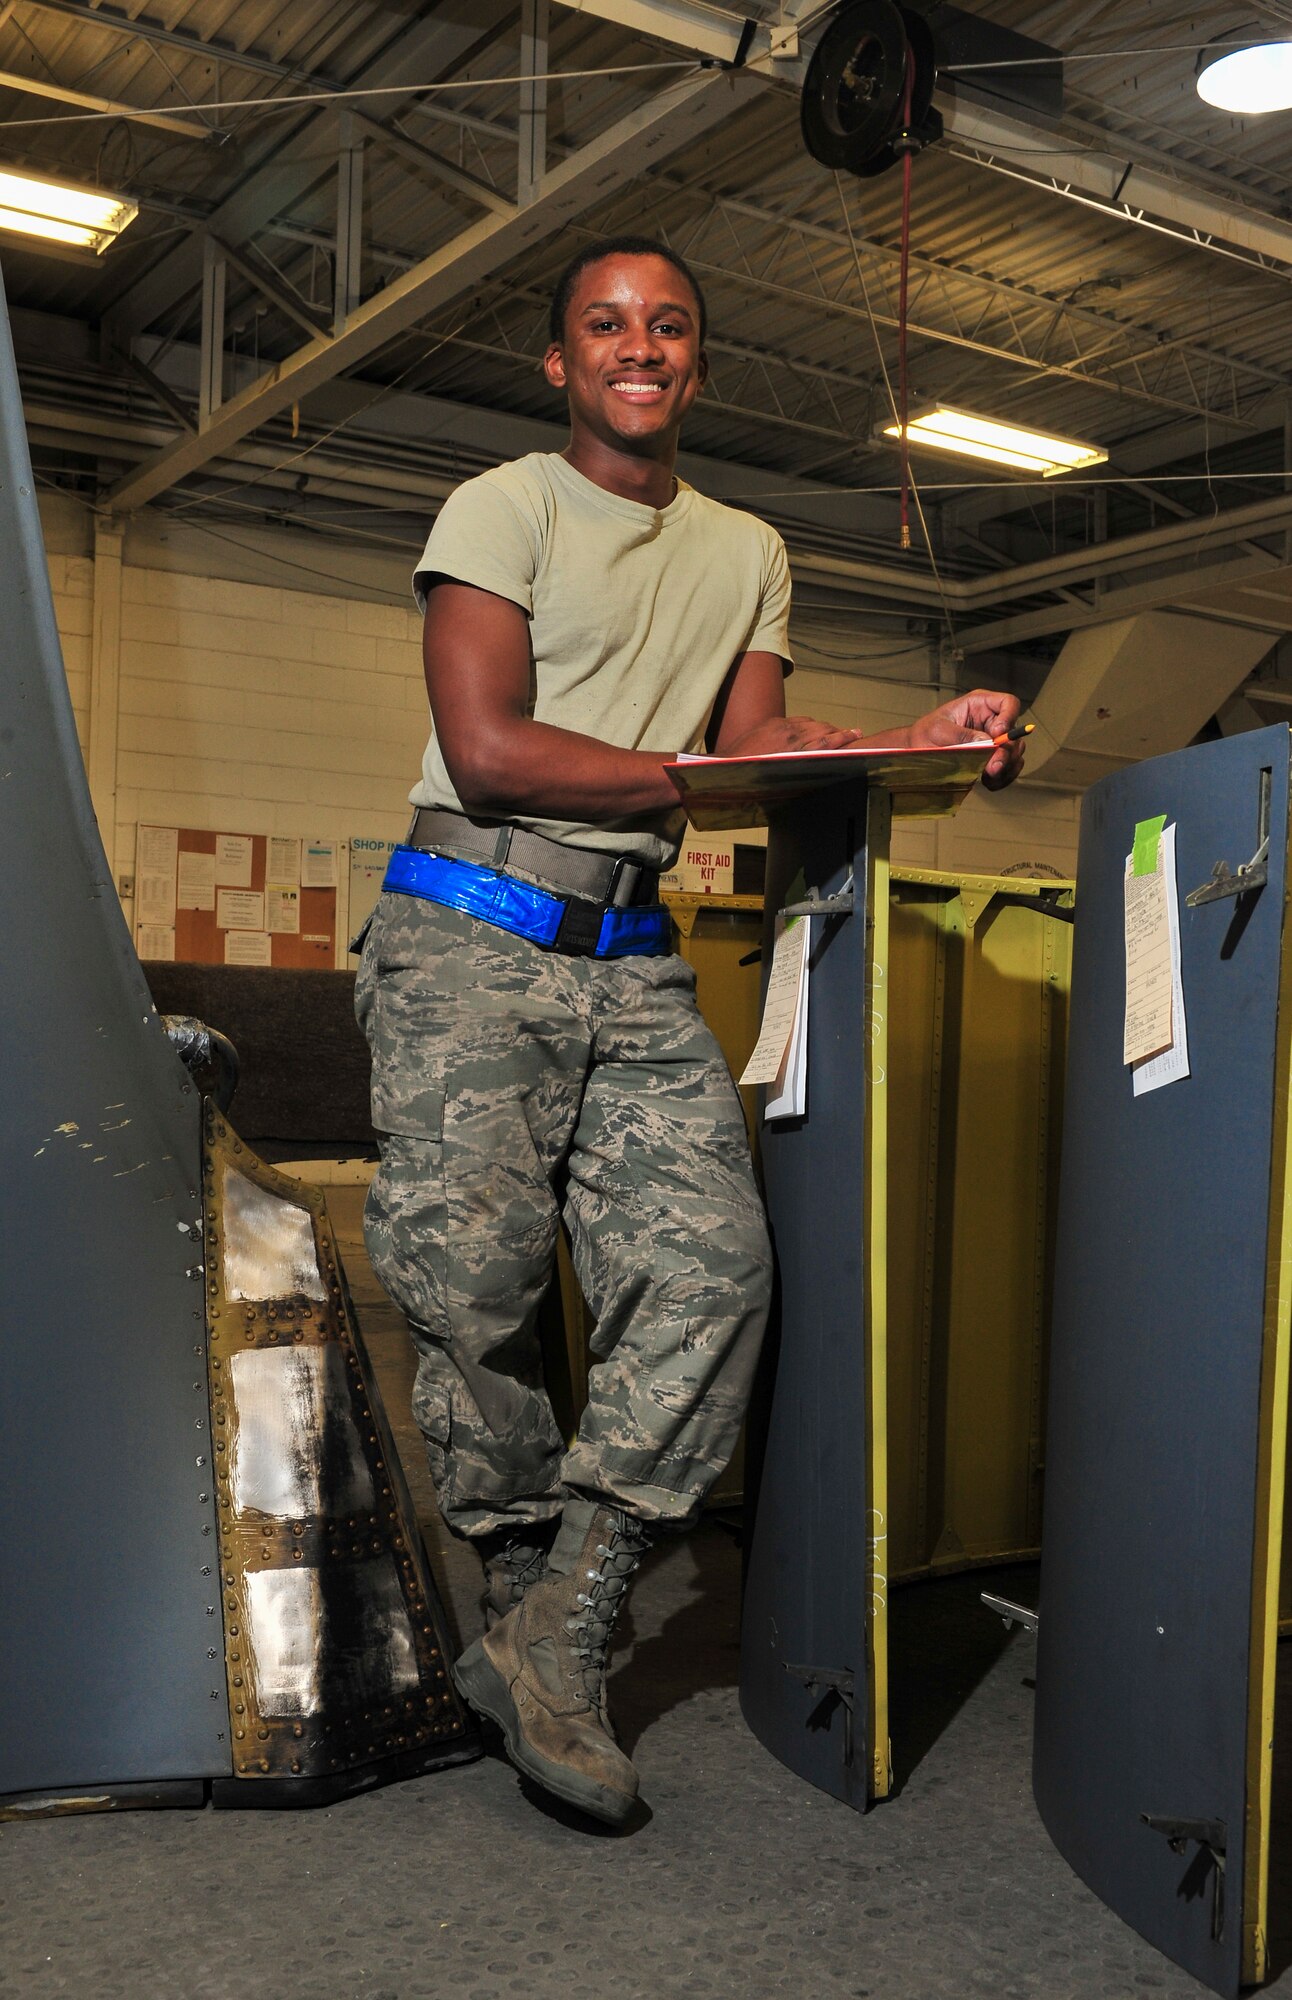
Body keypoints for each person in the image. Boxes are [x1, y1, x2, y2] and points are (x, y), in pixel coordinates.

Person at [356, 234, 1023, 1828]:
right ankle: (520, 1585)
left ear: (697, 363)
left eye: (668, 325)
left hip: (634, 952)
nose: (637, 346)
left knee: (716, 1269)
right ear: (562, 363)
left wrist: (905, 737)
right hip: (469, 926)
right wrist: (704, 788)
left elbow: (759, 742)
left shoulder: (749, 547)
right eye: (605, 325)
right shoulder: (503, 506)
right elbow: (492, 748)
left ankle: (563, 1617)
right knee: (472, 1283)